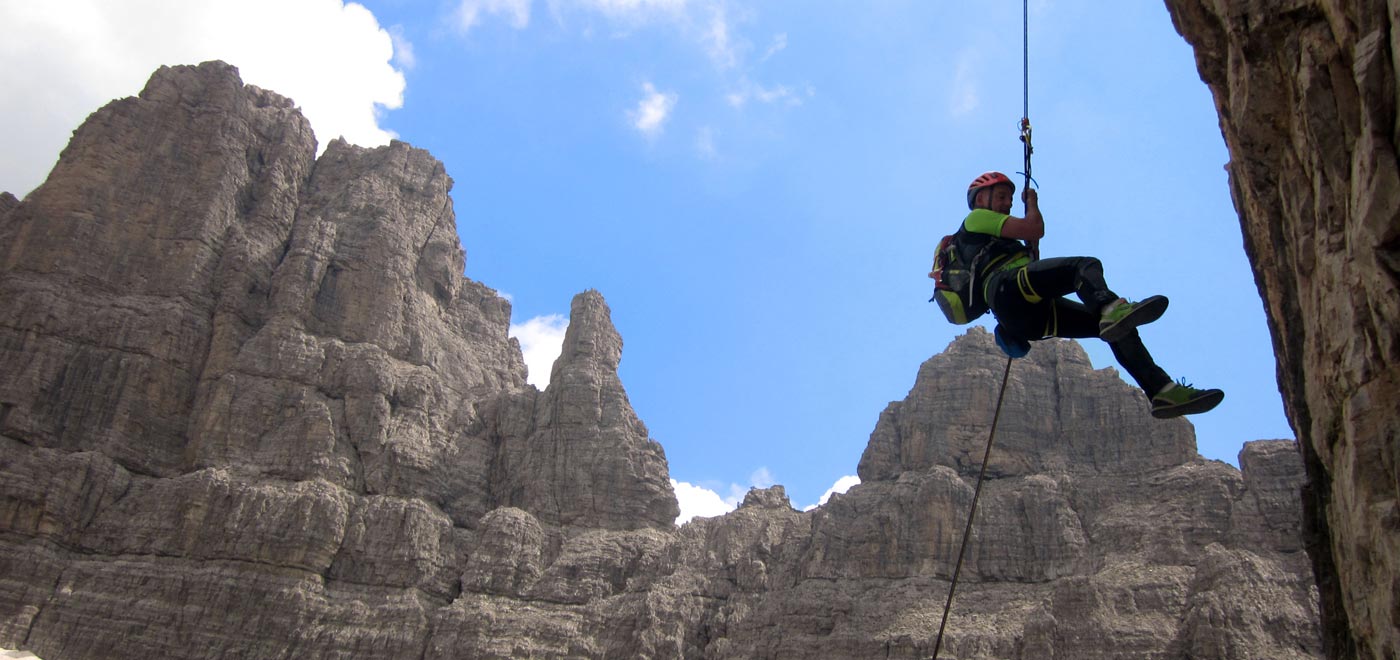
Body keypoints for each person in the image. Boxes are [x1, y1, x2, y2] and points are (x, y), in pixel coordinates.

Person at [958, 171, 1223, 419]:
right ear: (981, 198)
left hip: (1026, 316)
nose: (1007, 204)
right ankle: (1109, 306)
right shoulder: (975, 219)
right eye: (1002, 197)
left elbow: (1028, 237)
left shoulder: (994, 235)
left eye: (1010, 199)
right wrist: (1032, 203)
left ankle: (1162, 391)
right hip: (1008, 289)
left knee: (1118, 329)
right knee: (1082, 267)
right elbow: (1034, 228)